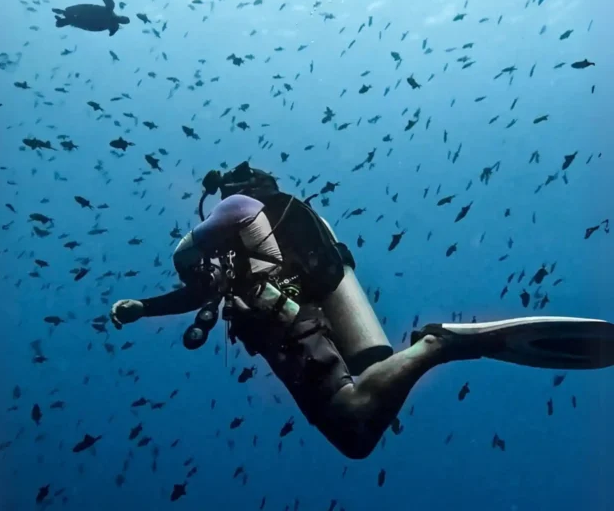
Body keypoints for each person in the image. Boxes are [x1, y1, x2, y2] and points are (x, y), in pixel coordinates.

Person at [111, 162, 614, 459]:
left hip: (287, 316)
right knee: (375, 381)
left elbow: (189, 266)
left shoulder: (233, 208)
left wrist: (150, 299)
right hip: (336, 289)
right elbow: (332, 267)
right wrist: (147, 309)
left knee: (352, 431)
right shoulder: (302, 212)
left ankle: (442, 345)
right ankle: (423, 354)